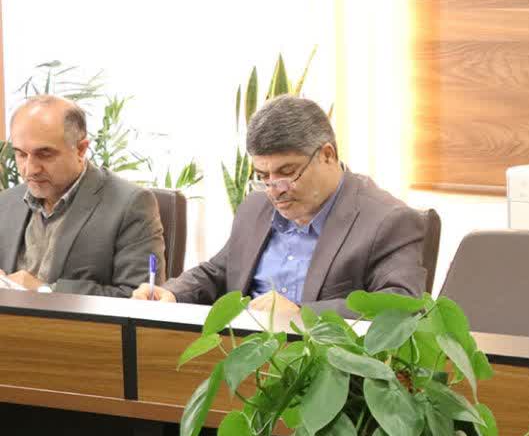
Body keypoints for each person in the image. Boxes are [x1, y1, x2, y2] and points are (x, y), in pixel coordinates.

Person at [133, 95, 426, 314]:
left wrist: (301, 314)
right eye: (263, 176)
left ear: (327, 155)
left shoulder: (388, 221)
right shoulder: (255, 206)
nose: (275, 191)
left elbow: (401, 305)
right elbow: (218, 272)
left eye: (287, 173)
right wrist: (173, 293)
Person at [0, 95, 164, 296]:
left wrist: (45, 291)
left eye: (44, 154)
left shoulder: (131, 204)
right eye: (21, 154)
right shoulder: (6, 202)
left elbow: (141, 297)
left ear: (81, 149)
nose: (30, 169)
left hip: (75, 319)